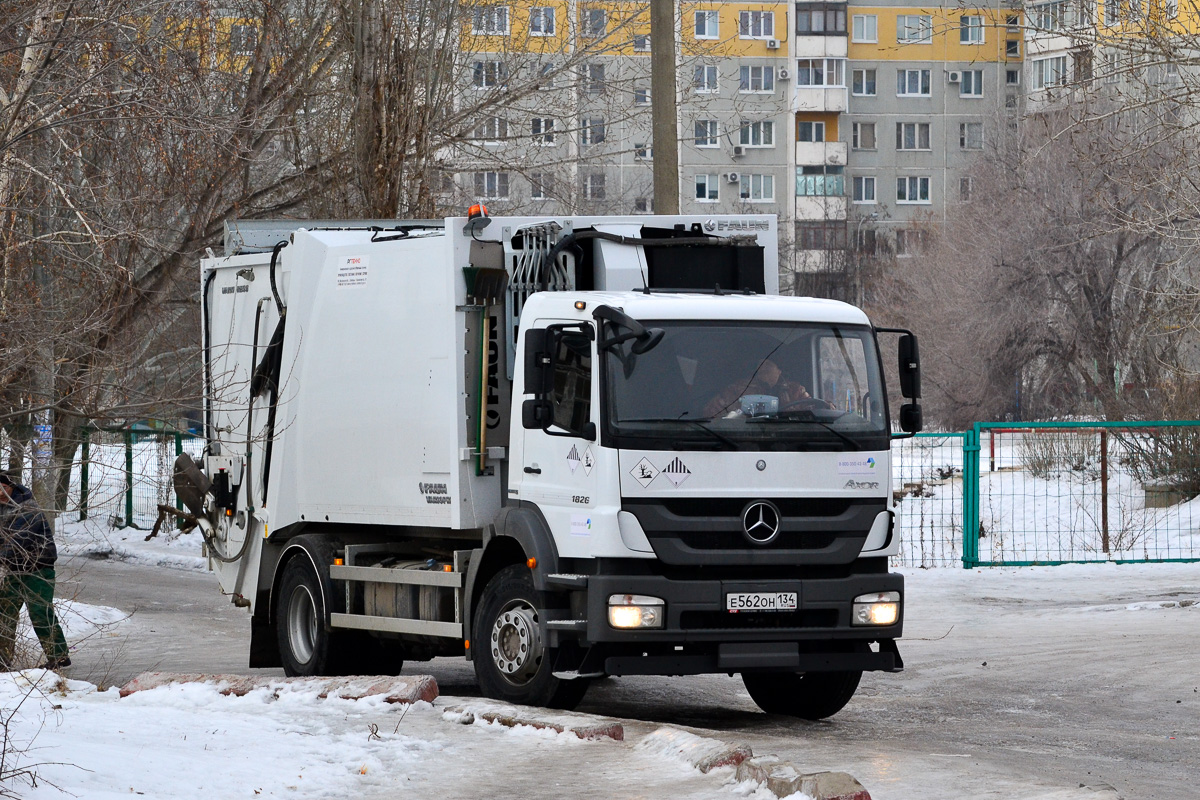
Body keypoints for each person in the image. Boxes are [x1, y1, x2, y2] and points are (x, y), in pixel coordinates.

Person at [0, 474, 70, 671]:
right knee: (4, 611)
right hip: (14, 569)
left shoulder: (27, 506)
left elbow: (16, 540)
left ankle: (59, 656)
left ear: (7, 486)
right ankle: (2, 660)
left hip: (38, 568)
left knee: (40, 611)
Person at [703, 358, 813, 418]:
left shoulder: (795, 390)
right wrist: (736, 414)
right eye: (759, 364)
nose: (762, 368)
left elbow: (815, 410)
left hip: (786, 441)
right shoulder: (738, 389)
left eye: (768, 364)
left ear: (779, 370)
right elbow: (710, 413)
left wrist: (828, 407)